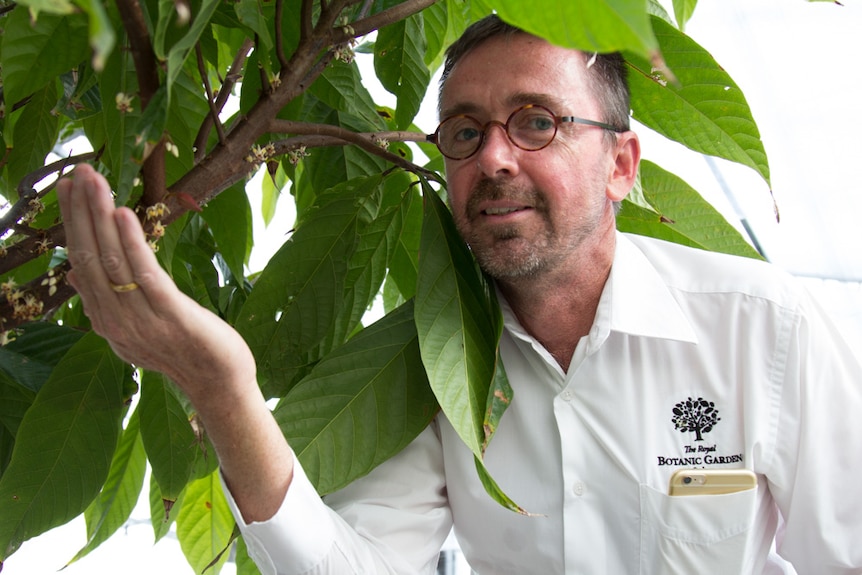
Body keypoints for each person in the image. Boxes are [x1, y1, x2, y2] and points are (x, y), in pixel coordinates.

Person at [57, 15, 862, 575]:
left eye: (537, 122)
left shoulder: (765, 330)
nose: (496, 159)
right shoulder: (438, 366)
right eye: (467, 133)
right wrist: (223, 387)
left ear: (621, 165)